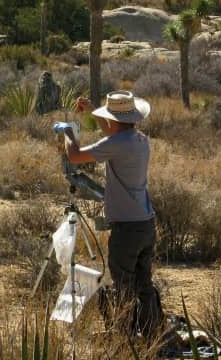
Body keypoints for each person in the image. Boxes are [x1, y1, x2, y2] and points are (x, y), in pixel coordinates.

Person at [61, 89, 162, 338]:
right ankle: (151, 334)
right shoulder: (139, 139)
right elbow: (112, 133)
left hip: (126, 229)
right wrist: (93, 110)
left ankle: (123, 336)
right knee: (144, 284)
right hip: (145, 223)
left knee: (123, 285)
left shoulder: (116, 144)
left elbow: (75, 156)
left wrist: (68, 133)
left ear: (113, 119)